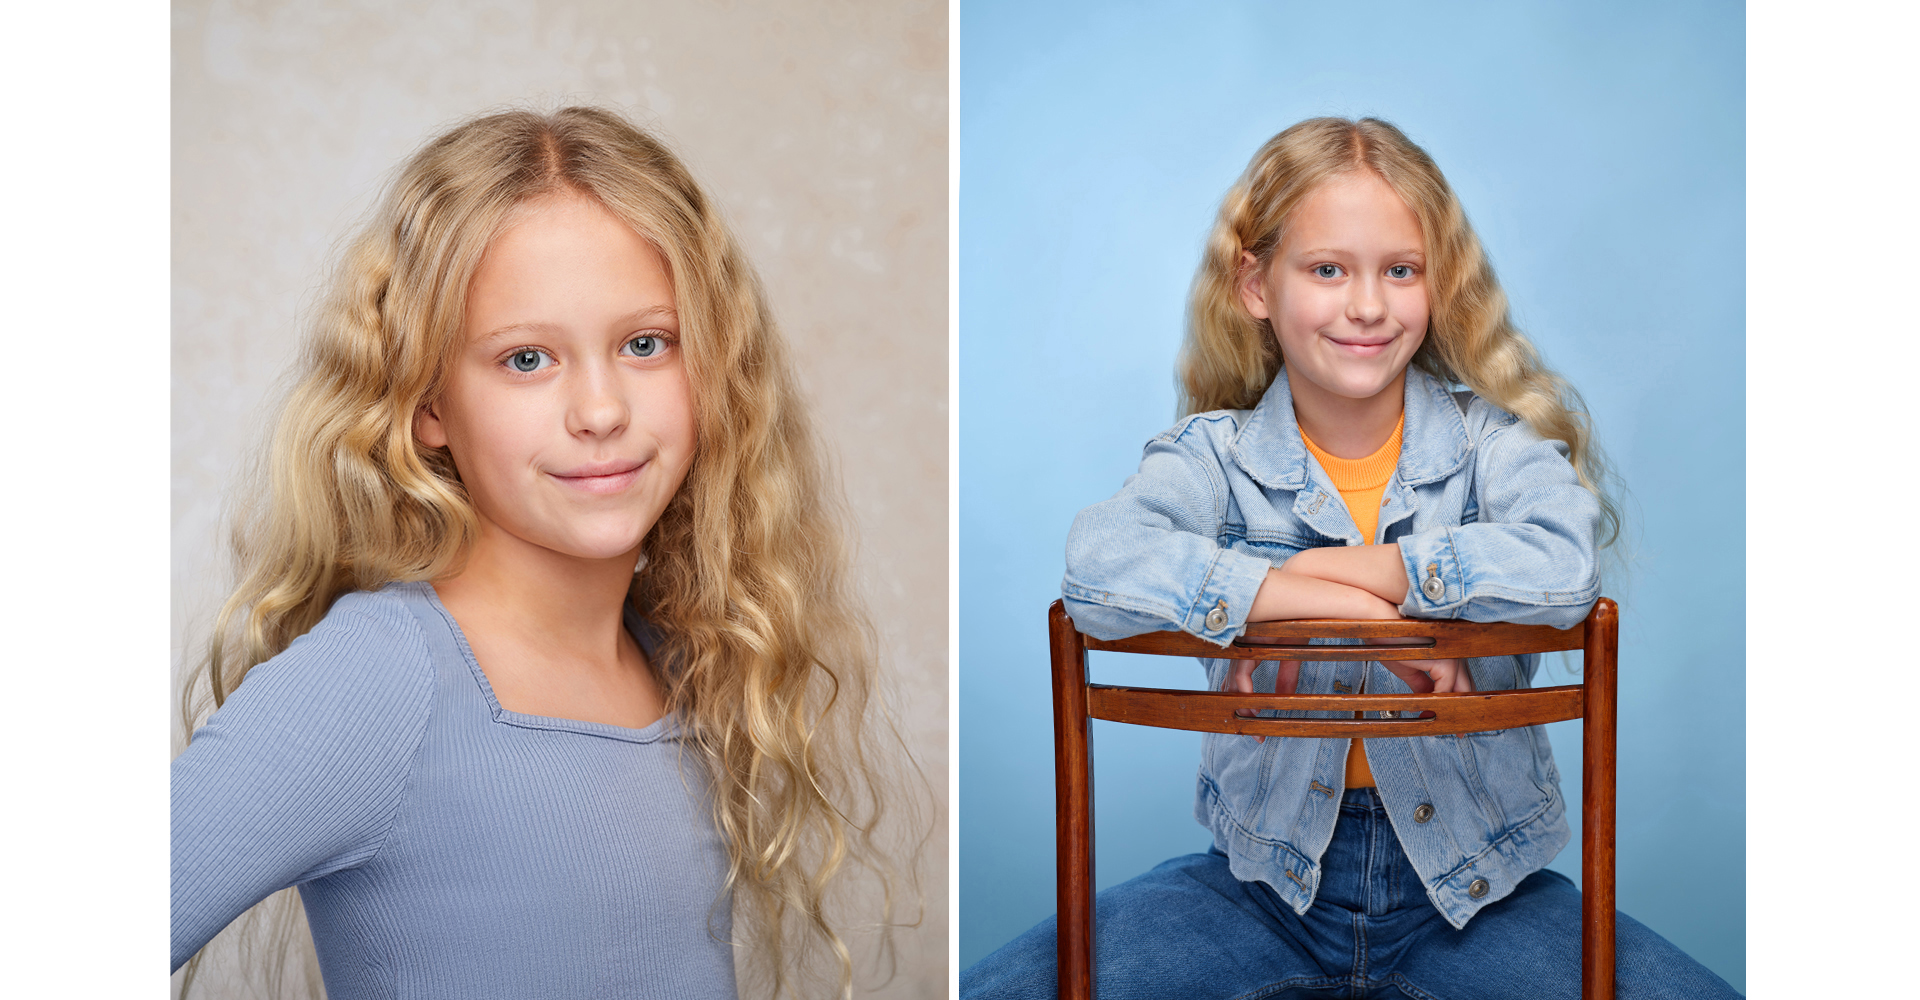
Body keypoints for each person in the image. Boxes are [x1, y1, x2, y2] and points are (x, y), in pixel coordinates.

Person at [961, 118, 1739, 998]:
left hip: (1482, 892)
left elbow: (1565, 567)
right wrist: (1336, 608)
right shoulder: (1210, 457)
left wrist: (1362, 580)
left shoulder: (1495, 446)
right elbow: (1099, 567)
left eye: (1400, 270)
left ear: (1437, 284)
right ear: (1255, 283)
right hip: (1258, 892)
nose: (1367, 305)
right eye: (1328, 269)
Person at [172, 106, 913, 1000]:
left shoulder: (680, 661)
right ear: (428, 402)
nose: (599, 411)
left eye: (647, 344)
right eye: (527, 360)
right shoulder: (376, 679)